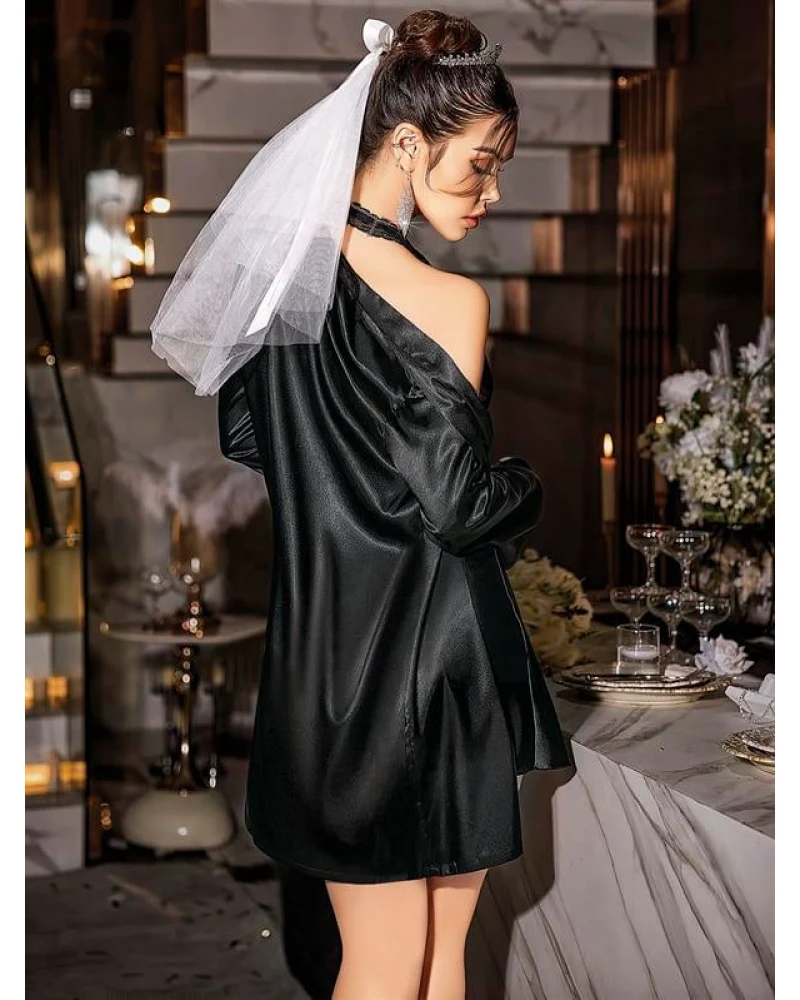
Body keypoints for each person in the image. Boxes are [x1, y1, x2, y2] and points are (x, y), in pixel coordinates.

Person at [153, 10, 572, 998]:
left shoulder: (275, 290)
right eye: (480, 165)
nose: (492, 192)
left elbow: (248, 439)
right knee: (416, 966)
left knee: (401, 963)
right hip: (431, 664)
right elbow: (461, 506)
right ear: (407, 144)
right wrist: (529, 482)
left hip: (320, 663)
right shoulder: (449, 301)